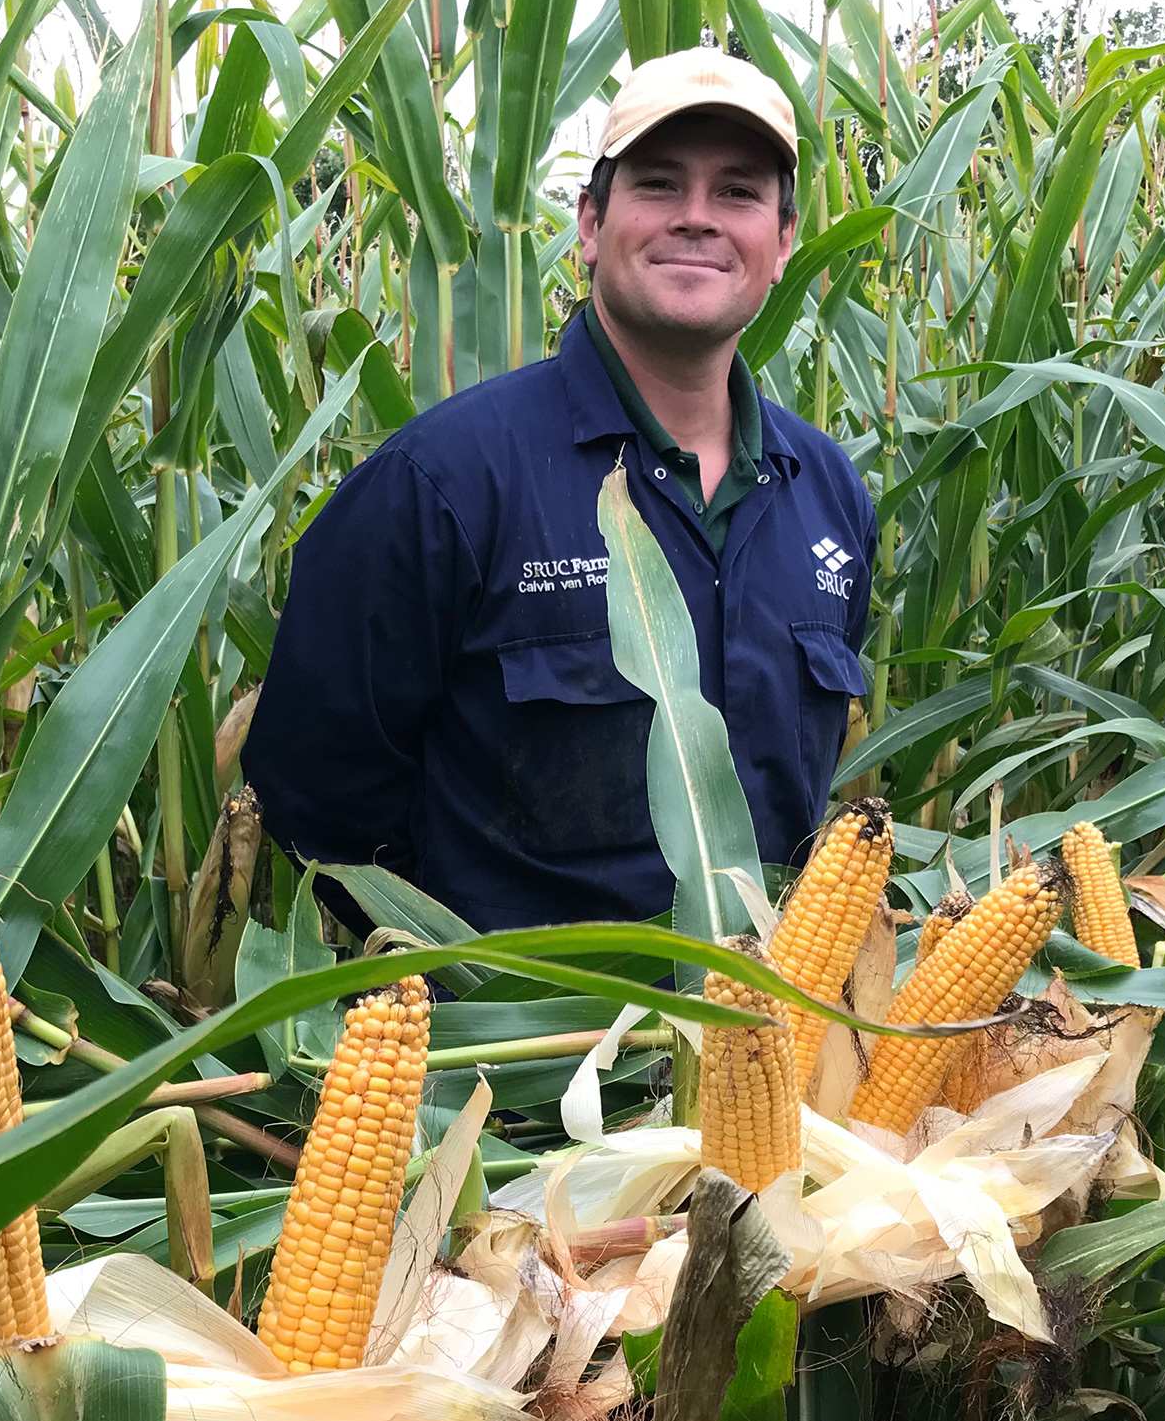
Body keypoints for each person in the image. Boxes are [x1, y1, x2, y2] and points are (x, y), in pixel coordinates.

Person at [242, 46, 875, 932]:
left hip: (771, 1052)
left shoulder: (831, 498)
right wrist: (470, 980)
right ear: (587, 223)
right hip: (522, 1056)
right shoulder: (446, 484)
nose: (697, 219)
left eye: (737, 192)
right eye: (658, 185)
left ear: (783, 243)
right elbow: (317, 795)